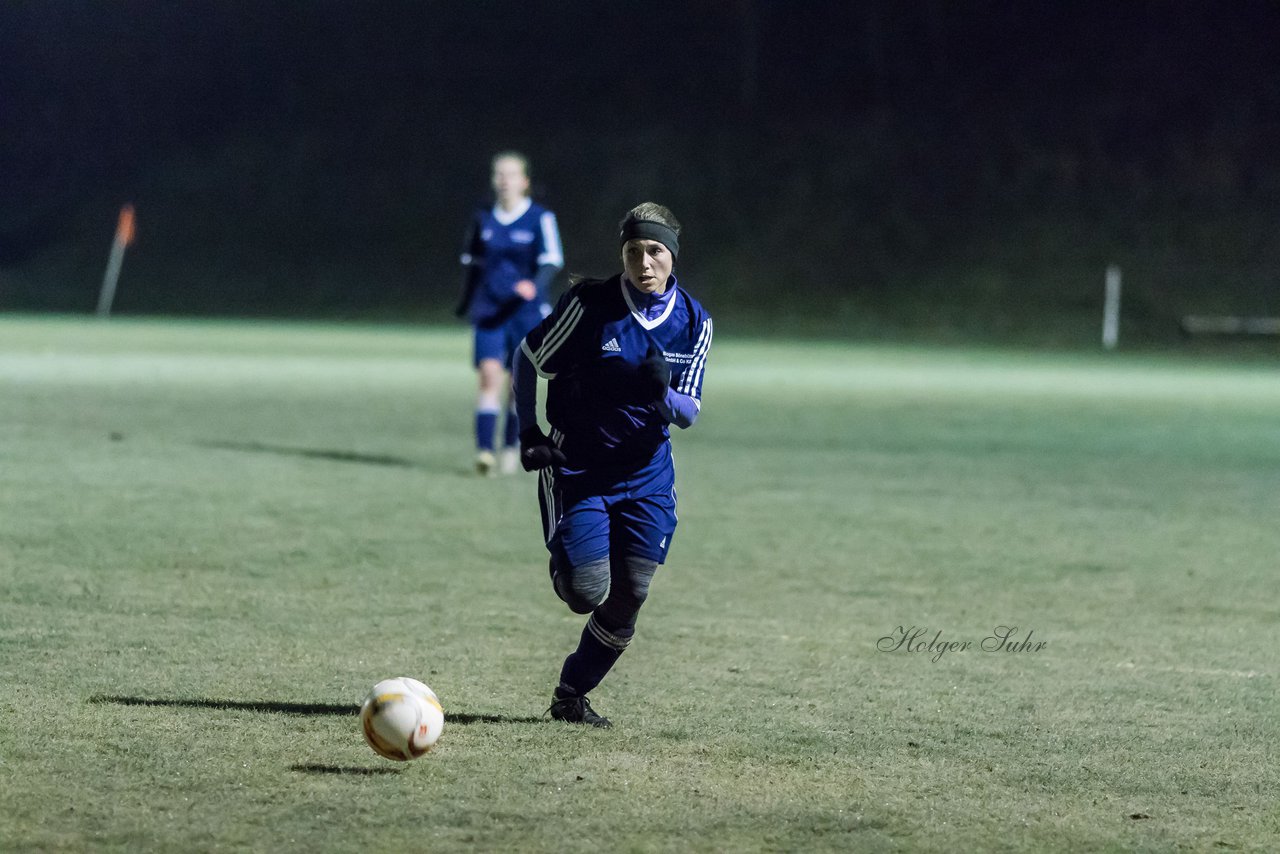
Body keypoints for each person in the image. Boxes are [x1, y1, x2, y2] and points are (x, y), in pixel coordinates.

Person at [512, 202, 712, 727]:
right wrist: (528, 431)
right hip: (580, 470)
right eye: (633, 252)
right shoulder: (590, 306)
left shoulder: (694, 320)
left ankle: (572, 693)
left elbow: (688, 411)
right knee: (586, 593)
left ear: (672, 255)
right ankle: (571, 560)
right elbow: (528, 358)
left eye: (654, 252)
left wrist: (661, 394)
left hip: (647, 475)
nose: (644, 263)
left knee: (632, 593)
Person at [455, 151, 564, 475]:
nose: (504, 180)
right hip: (489, 311)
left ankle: (510, 446)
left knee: (518, 385)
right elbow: (471, 263)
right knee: (489, 376)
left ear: (524, 181)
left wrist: (534, 284)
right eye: (499, 174)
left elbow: (552, 259)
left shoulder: (540, 217)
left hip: (527, 313)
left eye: (511, 174)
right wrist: (464, 303)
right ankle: (484, 452)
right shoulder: (482, 217)